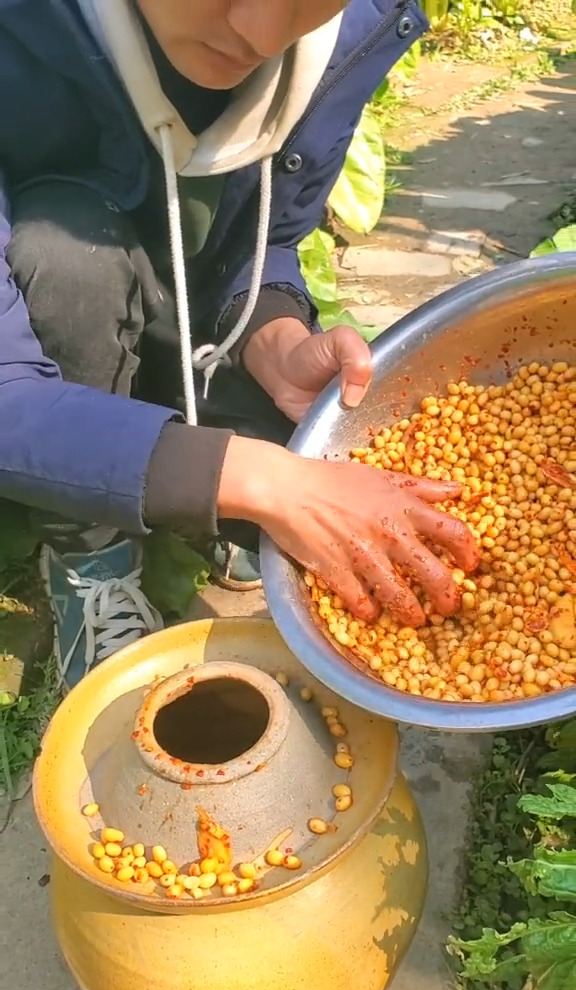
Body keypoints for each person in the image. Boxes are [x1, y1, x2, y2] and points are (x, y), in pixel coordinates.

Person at [0, 0, 480, 690]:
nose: (258, 34)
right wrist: (262, 480)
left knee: (309, 435)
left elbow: (269, 237)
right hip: (55, 321)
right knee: (65, 252)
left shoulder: (348, 32)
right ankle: (91, 558)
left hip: (188, 326)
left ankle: (204, 504)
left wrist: (272, 330)